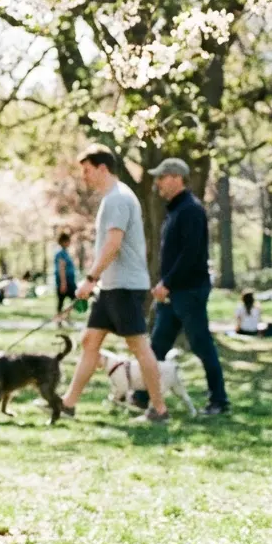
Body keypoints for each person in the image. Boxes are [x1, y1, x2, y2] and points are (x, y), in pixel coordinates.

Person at [59, 144, 169, 423]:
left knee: (139, 347)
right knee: (90, 341)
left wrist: (90, 279)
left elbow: (113, 243)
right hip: (111, 287)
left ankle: (159, 409)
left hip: (125, 287)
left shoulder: (118, 198)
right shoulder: (113, 198)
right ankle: (68, 404)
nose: (84, 177)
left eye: (87, 171)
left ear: (102, 168)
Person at [132, 158, 229, 415]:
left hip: (189, 292)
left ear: (176, 177)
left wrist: (167, 283)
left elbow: (191, 254)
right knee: (158, 344)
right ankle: (143, 395)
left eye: (161, 178)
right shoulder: (175, 210)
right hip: (173, 294)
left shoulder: (190, 210)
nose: (157, 183)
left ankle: (219, 400)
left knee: (201, 344)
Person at [53, 232, 77, 326]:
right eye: (68, 241)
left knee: (75, 300)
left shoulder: (66, 253)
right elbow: (61, 268)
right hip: (65, 282)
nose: (69, 243)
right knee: (62, 301)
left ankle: (65, 316)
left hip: (70, 281)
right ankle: (59, 320)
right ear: (63, 242)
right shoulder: (60, 254)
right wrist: (63, 283)